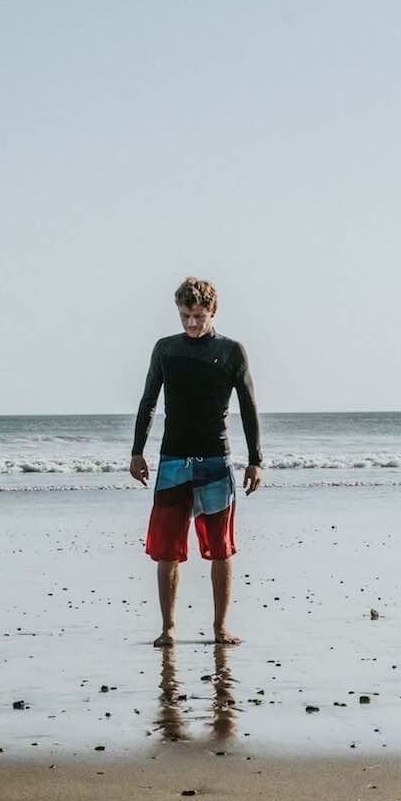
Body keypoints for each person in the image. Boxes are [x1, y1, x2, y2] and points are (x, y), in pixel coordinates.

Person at [130, 277, 261, 647]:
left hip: (216, 462)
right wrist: (137, 450)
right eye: (186, 315)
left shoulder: (232, 351)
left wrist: (256, 460)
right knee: (166, 551)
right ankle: (168, 628)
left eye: (198, 316)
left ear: (212, 312)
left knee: (221, 548)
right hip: (173, 461)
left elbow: (249, 407)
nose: (191, 323)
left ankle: (220, 628)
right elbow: (148, 402)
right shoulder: (166, 350)